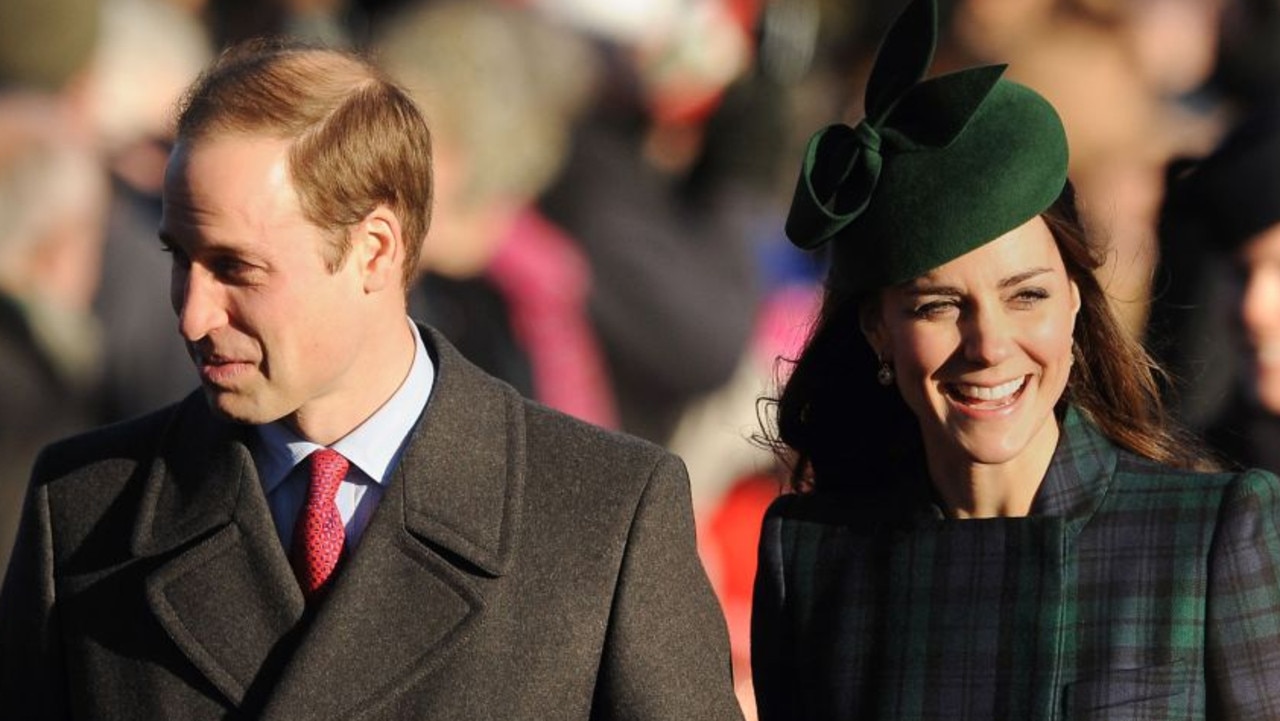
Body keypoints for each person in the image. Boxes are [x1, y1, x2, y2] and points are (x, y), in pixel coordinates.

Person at [0, 41, 743, 720]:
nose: (194, 314)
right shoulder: (86, 509)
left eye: (237, 268)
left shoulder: (604, 518)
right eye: (178, 258)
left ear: (375, 251)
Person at [750, 1, 1280, 719]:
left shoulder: (1208, 533)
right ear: (878, 328)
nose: (989, 344)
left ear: (1075, 304)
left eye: (1025, 295)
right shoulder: (812, 557)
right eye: (938, 305)